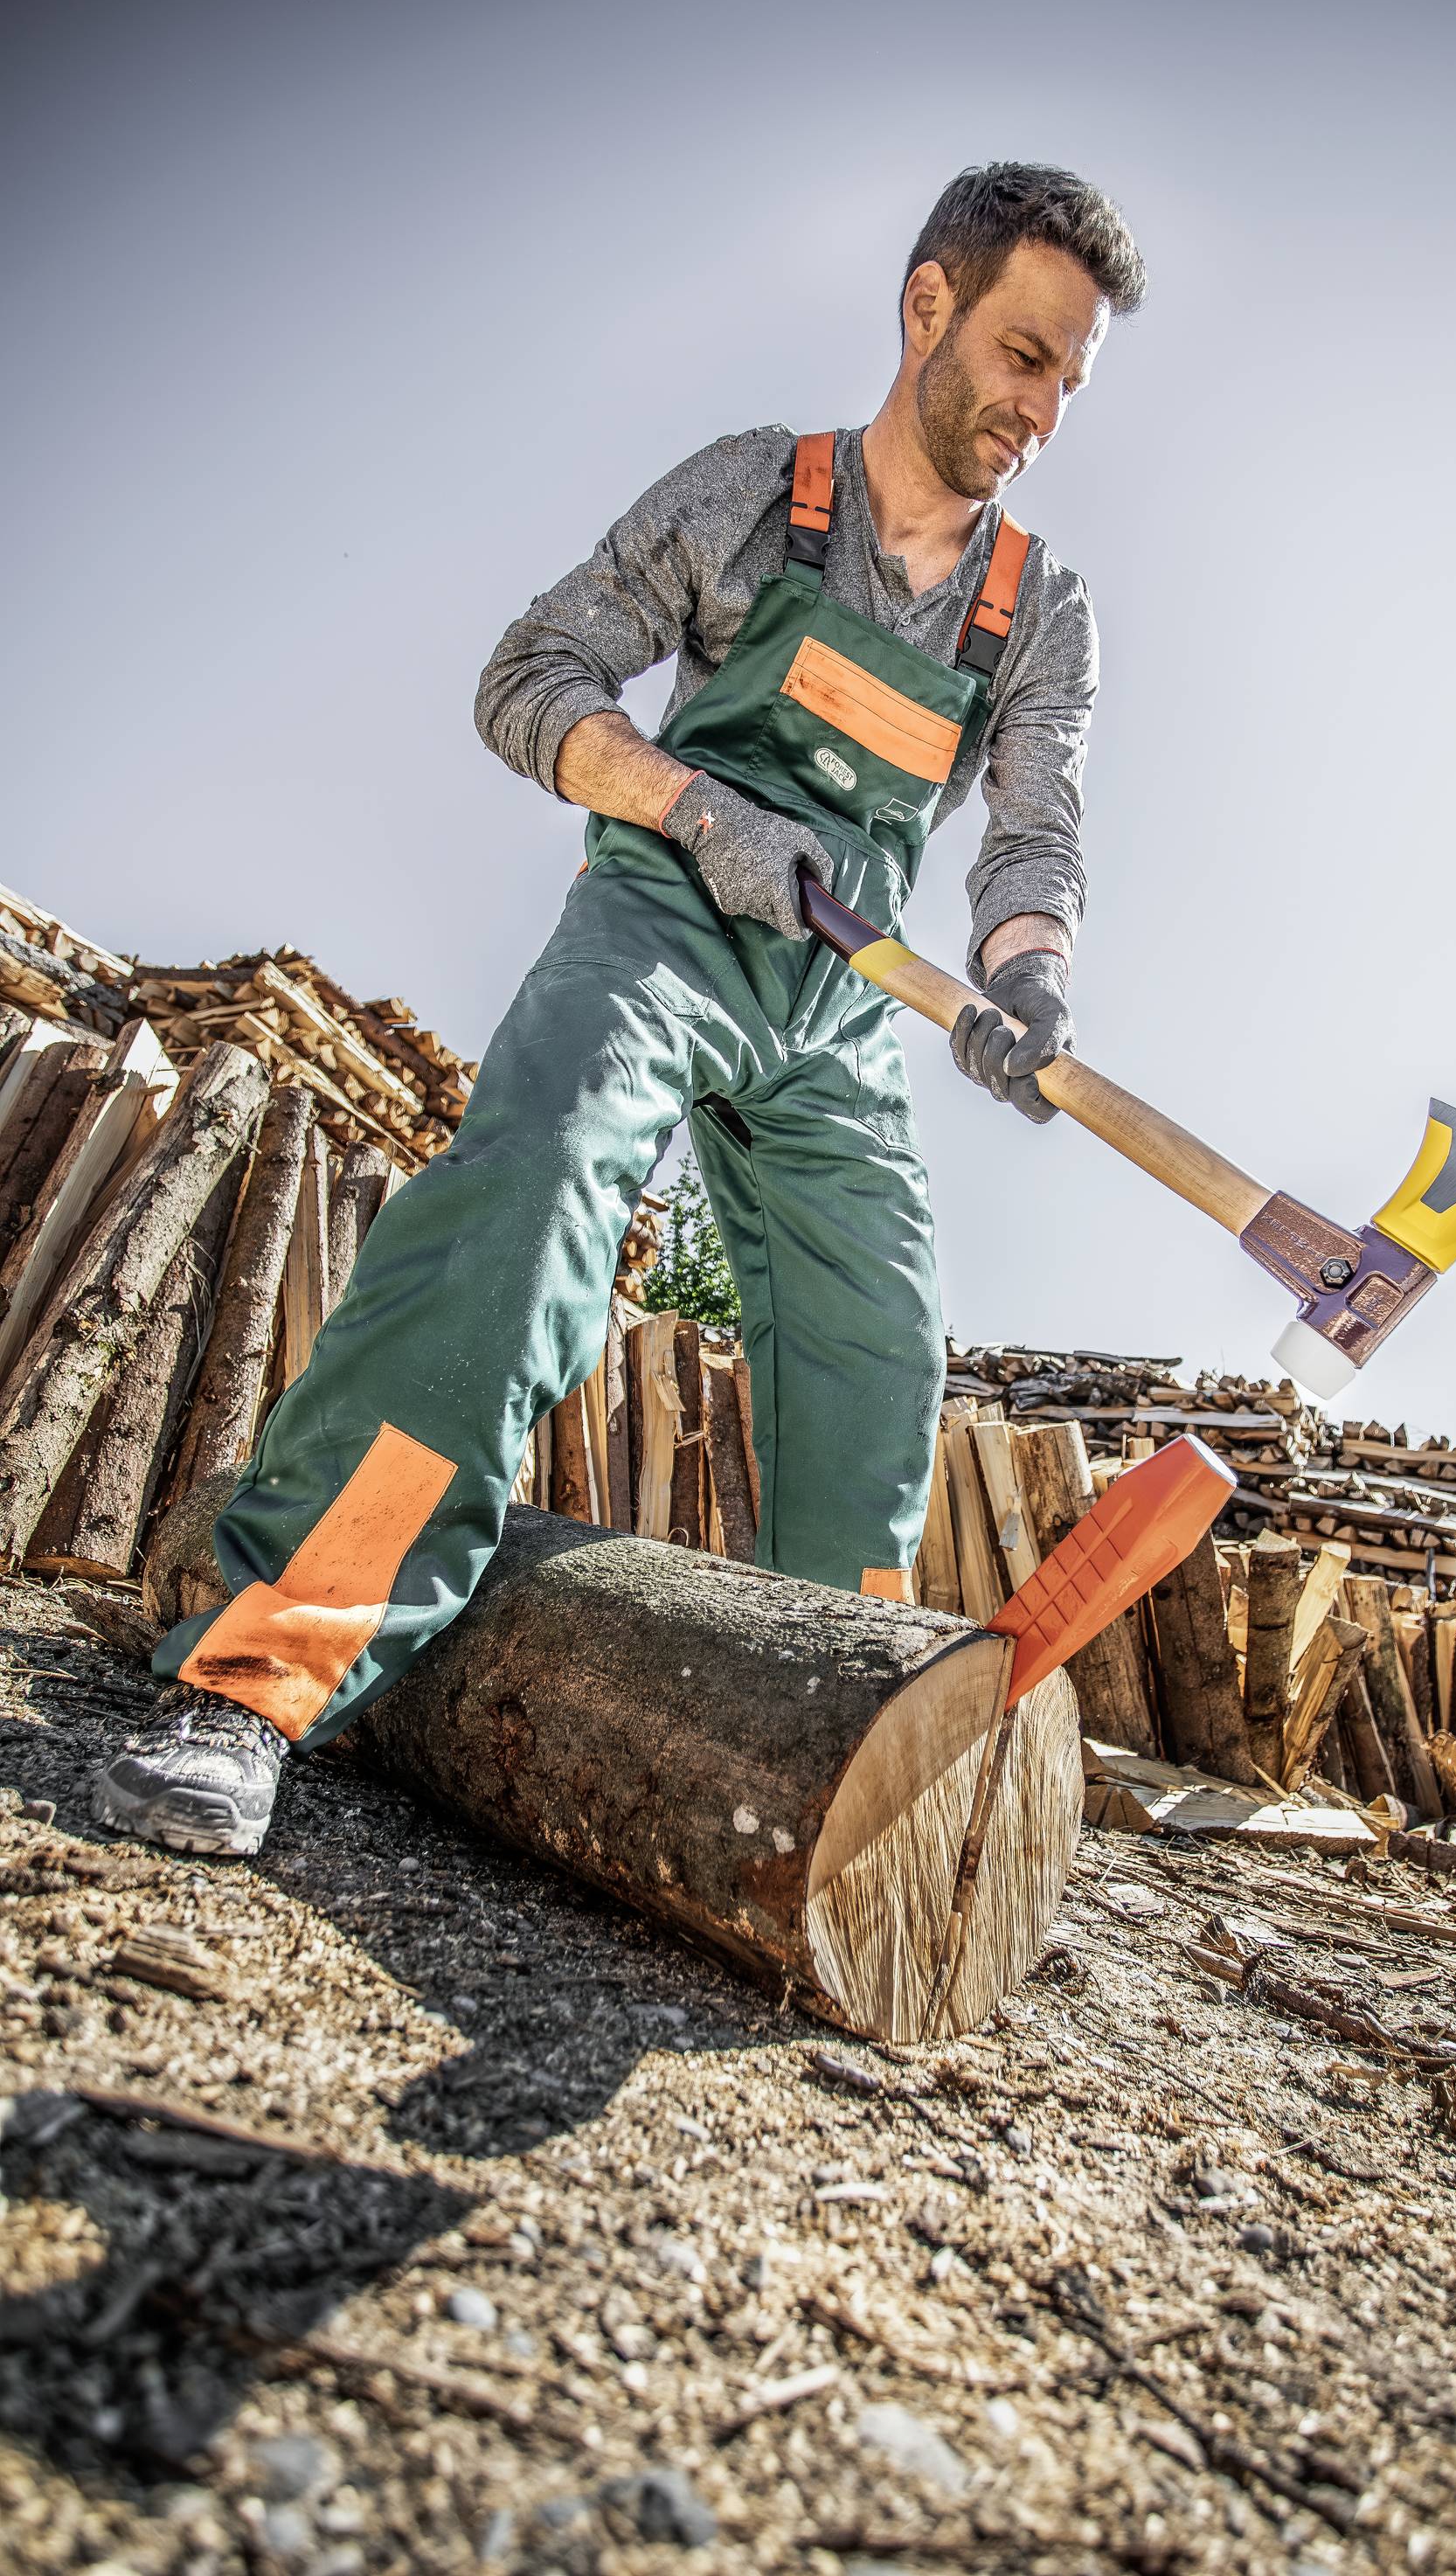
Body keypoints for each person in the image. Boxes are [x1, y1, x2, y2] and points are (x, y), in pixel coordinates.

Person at [96, 160, 1147, 1857]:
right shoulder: (750, 492)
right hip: (662, 921)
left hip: (839, 999)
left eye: (1067, 387)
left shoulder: (1041, 610)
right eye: (1022, 357)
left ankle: (834, 1766)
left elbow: (1033, 828)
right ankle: (260, 1676)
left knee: (878, 1350)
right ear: (928, 306)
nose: (1038, 410)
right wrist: (690, 808)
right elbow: (531, 679)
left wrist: (1026, 979)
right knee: (532, 1203)